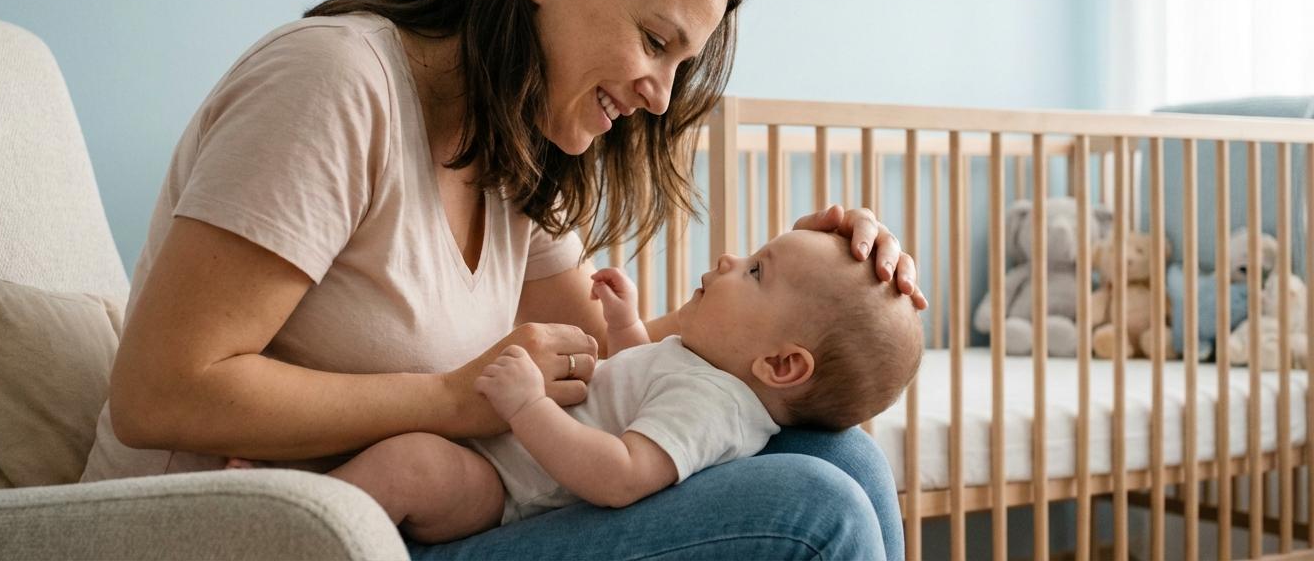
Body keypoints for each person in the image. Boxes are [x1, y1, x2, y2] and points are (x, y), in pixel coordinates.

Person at [80, 0, 928, 560]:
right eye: (654, 41)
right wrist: (451, 397)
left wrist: (818, 294)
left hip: (420, 522)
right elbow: (161, 391)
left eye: (680, 65)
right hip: (253, 533)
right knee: (817, 512)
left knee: (835, 449)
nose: (663, 96)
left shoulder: (515, 152)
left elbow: (608, 379)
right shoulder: (334, 83)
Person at [229, 230, 924, 544]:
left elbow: (623, 474)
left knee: (410, 463)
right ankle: (292, 499)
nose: (727, 258)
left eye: (755, 273)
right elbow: (637, 383)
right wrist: (626, 327)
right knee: (850, 469)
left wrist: (526, 406)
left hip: (508, 488)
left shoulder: (714, 405)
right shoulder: (703, 369)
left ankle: (286, 531)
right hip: (503, 454)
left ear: (780, 367)